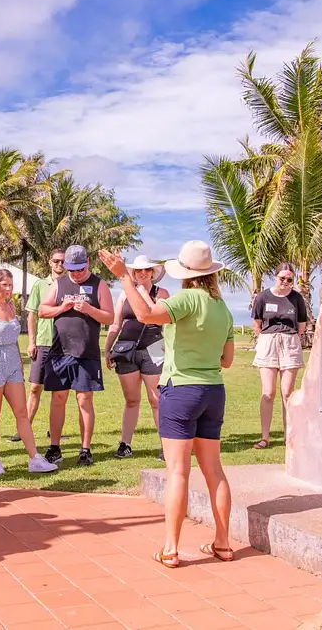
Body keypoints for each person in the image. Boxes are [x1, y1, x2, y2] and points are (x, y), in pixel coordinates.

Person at [99, 241, 235, 569]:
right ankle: (223, 543)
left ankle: (171, 549)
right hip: (213, 390)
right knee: (214, 470)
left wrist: (123, 277)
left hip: (181, 390)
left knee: (177, 472)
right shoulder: (223, 309)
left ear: (186, 274)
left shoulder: (185, 299)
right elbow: (227, 360)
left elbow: (145, 314)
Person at [0, 269, 60, 475]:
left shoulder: (11, 306)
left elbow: (13, 338)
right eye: (4, 285)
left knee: (22, 412)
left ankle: (34, 458)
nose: (9, 289)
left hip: (13, 361)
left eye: (11, 285)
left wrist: (20, 363)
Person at [39, 245, 114, 467]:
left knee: (84, 399)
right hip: (60, 351)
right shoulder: (60, 284)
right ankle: (54, 447)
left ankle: (85, 449)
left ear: (87, 263)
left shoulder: (99, 284)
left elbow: (109, 318)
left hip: (86, 352)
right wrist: (61, 308)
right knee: (58, 397)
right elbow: (42, 310)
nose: (76, 274)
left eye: (79, 270)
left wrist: (89, 310)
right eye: (71, 270)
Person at [105, 255, 168, 460]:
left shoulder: (161, 293)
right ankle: (125, 444)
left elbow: (157, 315)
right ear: (133, 273)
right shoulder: (124, 295)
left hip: (154, 349)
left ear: (152, 273)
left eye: (146, 270)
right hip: (127, 350)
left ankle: (166, 445)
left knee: (157, 400)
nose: (142, 273)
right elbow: (115, 324)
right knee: (131, 400)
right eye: (138, 270)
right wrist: (107, 348)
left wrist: (142, 292)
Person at [251, 263, 308, 449]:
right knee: (268, 392)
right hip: (268, 342)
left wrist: (290, 339)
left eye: (289, 279)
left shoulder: (296, 298)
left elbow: (301, 325)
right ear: (275, 277)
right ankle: (265, 437)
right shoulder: (263, 297)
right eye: (282, 278)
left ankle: (288, 435)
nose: (285, 282)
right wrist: (266, 339)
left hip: (290, 342)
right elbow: (257, 323)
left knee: (287, 393)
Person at [14, 249, 66, 443]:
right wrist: (32, 341)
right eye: (56, 261)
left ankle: (54, 430)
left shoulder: (71, 285)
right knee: (35, 387)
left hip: (63, 345)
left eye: (63, 262)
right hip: (43, 342)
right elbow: (32, 315)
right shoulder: (40, 285)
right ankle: (24, 429)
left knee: (59, 392)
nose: (60, 265)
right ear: (49, 262)